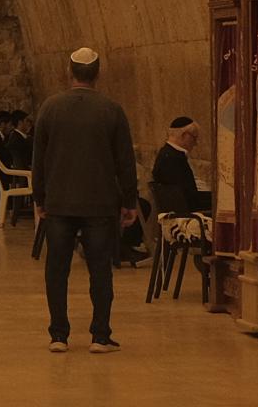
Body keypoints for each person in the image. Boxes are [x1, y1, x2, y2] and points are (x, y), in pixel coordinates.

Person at [31, 46, 138, 353]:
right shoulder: (111, 110)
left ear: (69, 72)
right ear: (98, 73)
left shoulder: (50, 108)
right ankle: (100, 336)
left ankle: (58, 335)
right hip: (100, 204)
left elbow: (39, 159)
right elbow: (125, 161)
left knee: (57, 269)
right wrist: (128, 201)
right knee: (100, 269)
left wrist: (40, 197)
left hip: (59, 202)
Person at [151, 116, 205, 218]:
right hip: (187, 215)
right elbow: (186, 197)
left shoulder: (166, 154)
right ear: (185, 135)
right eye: (194, 137)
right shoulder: (174, 158)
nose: (196, 143)